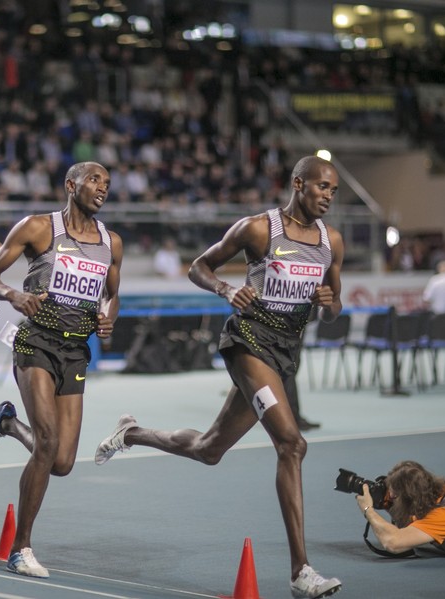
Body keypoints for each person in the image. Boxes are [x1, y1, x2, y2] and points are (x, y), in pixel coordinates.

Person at [93, 155, 343, 599]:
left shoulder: (331, 242)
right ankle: (300, 572)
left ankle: (130, 433)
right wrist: (226, 288)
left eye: (334, 191)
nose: (328, 196)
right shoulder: (259, 229)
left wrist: (327, 302)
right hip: (248, 342)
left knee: (209, 449)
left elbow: (333, 308)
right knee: (292, 444)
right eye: (322, 186)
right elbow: (198, 267)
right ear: (298, 183)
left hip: (286, 352)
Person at [0, 162, 122, 578]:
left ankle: (7, 425)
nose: (102, 188)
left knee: (62, 462)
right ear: (71, 185)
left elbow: (113, 295)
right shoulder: (38, 228)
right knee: (48, 443)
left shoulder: (112, 242)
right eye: (94, 180)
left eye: (107, 183)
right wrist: (13, 295)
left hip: (75, 352)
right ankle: (20, 548)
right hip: (35, 343)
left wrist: (108, 317)